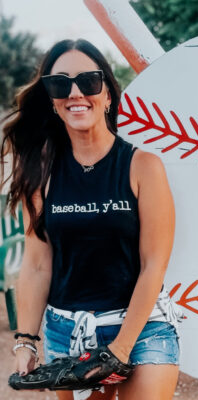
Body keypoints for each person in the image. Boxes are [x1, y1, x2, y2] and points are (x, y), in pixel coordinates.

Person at [1, 38, 180, 400]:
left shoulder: (142, 166)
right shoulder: (43, 173)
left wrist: (119, 350)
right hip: (69, 332)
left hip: (143, 327)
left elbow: (153, 266)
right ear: (52, 100)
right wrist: (26, 341)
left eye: (88, 81)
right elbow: (37, 266)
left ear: (108, 94)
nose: (75, 92)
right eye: (60, 83)